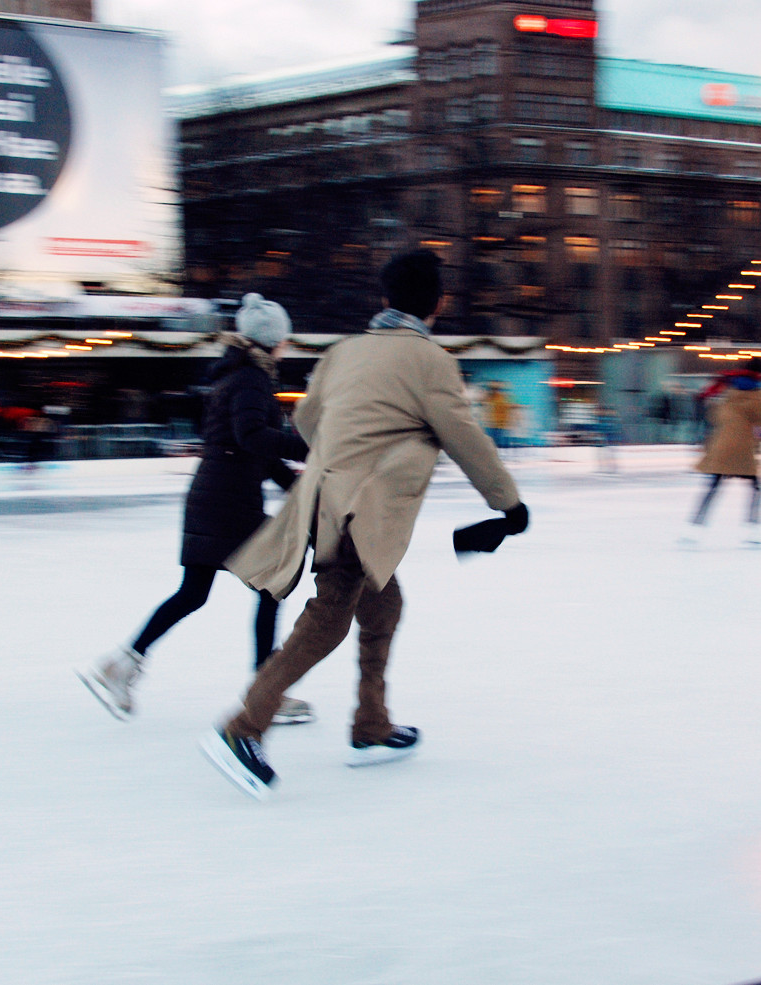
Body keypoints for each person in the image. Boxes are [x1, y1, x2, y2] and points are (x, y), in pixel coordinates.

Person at [201, 250, 528, 799]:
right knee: (330, 616)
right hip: (364, 508)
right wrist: (509, 505)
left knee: (385, 602)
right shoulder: (431, 362)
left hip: (326, 499)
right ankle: (244, 728)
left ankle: (371, 724)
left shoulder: (343, 352)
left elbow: (305, 422)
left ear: (383, 301)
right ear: (438, 305)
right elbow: (465, 436)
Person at [79, 294, 313, 722]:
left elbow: (247, 447)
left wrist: (290, 481)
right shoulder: (251, 379)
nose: (286, 345)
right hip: (229, 504)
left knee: (195, 593)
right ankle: (264, 692)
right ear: (272, 340)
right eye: (284, 339)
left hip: (215, 496)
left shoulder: (233, 374)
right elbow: (251, 438)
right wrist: (308, 445)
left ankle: (122, 663)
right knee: (272, 582)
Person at [679, 358, 761, 549]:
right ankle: (754, 531)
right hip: (743, 449)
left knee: (713, 488)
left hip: (721, 446)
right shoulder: (759, 395)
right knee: (757, 489)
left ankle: (692, 529)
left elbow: (715, 416)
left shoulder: (728, 390)